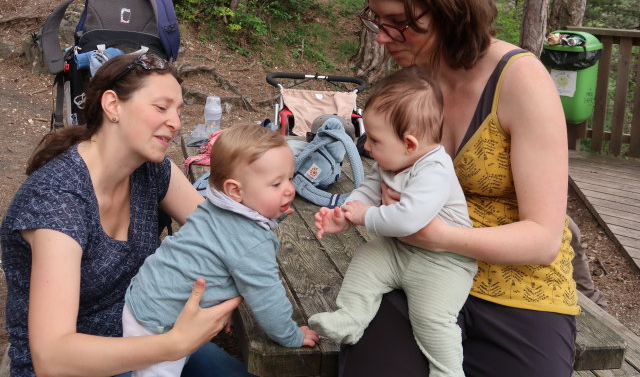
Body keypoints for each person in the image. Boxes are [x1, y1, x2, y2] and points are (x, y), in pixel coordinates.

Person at [338, 0, 580, 377]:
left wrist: (438, 236)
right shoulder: (412, 82)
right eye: (376, 18)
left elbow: (544, 239)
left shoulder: (521, 82)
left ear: (450, 7)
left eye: (400, 23)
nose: (383, 36)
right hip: (414, 268)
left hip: (517, 285)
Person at [0, 52, 249, 377]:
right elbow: (52, 358)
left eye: (178, 111)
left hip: (144, 330)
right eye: (161, 108)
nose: (175, 122)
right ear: (113, 105)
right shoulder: (58, 202)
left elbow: (225, 233)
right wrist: (175, 343)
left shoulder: (151, 170)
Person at [309, 67, 477, 377]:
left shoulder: (435, 170)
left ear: (410, 143)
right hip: (398, 251)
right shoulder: (393, 160)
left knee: (431, 318)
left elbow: (408, 219)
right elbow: (368, 192)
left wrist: (365, 216)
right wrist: (343, 215)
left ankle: (448, 370)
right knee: (366, 261)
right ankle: (351, 317)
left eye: (374, 139)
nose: (367, 147)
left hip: (444, 264)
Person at [124, 123, 319, 376]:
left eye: (290, 178)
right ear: (235, 190)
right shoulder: (252, 242)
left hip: (144, 296)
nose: (289, 189)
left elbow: (220, 246)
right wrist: (291, 335)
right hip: (162, 324)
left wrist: (274, 213)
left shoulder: (213, 207)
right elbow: (267, 297)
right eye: (276, 184)